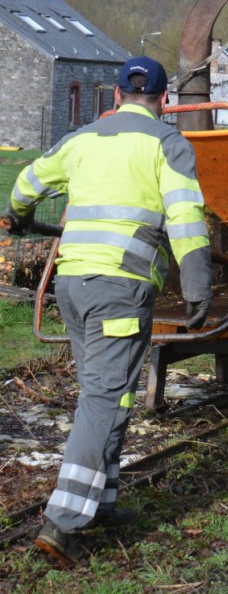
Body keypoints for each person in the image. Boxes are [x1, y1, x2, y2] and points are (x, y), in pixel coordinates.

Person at [2, 56, 212, 566]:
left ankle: (103, 500)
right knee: (103, 397)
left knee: (111, 394)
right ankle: (63, 522)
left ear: (116, 96)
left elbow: (28, 183)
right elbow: (185, 216)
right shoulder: (169, 145)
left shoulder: (83, 140)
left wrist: (18, 216)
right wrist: (199, 288)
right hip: (121, 288)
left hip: (72, 286)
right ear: (162, 102)